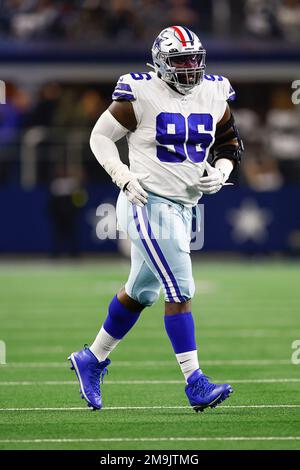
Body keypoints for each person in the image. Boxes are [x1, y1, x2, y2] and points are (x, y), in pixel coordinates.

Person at [68, 26, 243, 412]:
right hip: (146, 202)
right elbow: (99, 137)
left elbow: (230, 141)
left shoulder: (214, 91)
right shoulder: (140, 92)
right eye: (181, 60)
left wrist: (223, 170)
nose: (189, 67)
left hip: (184, 205)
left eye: (194, 59)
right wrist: (122, 174)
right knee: (181, 289)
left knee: (140, 294)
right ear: (161, 63)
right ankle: (195, 382)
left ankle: (91, 359)